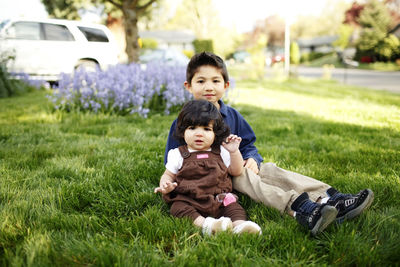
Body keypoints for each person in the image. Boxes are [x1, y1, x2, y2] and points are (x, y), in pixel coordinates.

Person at [164, 51, 374, 236]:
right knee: (244, 178)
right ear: (188, 86)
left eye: (215, 81)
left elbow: (248, 145)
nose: (208, 87)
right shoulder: (183, 122)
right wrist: (170, 184)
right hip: (217, 179)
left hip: (238, 163)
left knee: (269, 170)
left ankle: (330, 196)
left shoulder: (232, 116)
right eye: (200, 81)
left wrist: (253, 159)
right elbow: (172, 159)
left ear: (226, 85)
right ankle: (304, 208)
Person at [155, 99, 262, 235]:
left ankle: (240, 226)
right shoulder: (178, 154)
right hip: (189, 199)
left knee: (234, 208)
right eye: (192, 128)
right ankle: (206, 225)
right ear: (183, 131)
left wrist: (234, 152)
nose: (199, 133)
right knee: (178, 208)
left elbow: (236, 171)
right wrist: (166, 184)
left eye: (206, 129)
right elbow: (168, 174)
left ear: (215, 133)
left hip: (219, 198)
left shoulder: (222, 151)